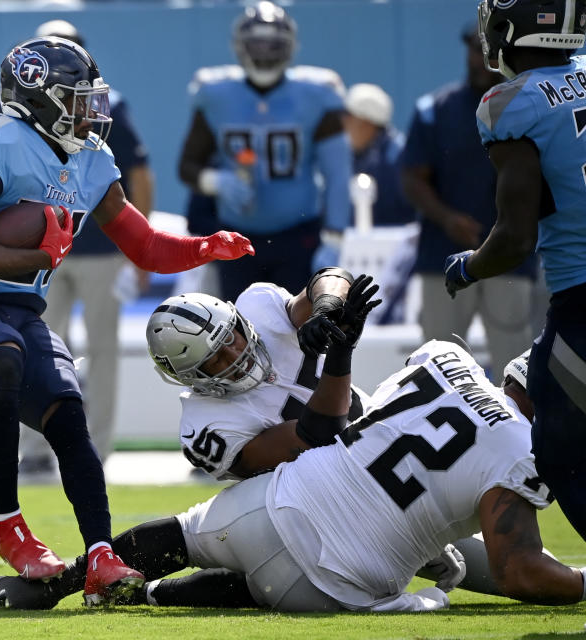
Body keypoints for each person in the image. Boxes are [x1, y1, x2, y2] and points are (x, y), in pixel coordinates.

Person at [0, 37, 253, 605]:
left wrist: (204, 248)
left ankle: (100, 555)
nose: (89, 111)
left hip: (20, 312)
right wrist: (38, 257)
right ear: (37, 96)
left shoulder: (91, 157)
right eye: (75, 98)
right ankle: (10, 528)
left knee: (68, 412)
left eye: (92, 98)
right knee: (3, 356)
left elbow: (143, 244)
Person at [0, 337, 586, 613]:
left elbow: (375, 422)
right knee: (417, 581)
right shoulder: (524, 447)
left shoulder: (446, 356)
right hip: (337, 581)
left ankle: (59, 584)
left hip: (272, 503)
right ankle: (152, 600)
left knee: (182, 534)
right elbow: (519, 567)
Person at [445, 0, 586, 631]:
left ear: (511, 28)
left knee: (560, 459)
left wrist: (468, 268)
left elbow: (513, 237)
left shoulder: (511, 104)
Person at [16, 20, 156, 475]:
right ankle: (36, 451)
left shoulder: (108, 106)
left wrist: (139, 242)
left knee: (102, 350)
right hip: (43, 249)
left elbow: (138, 175)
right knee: (36, 348)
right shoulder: (23, 109)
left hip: (99, 247)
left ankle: (96, 449)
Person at [177, 1, 352, 304]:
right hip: (236, 237)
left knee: (298, 330)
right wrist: (217, 182)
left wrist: (334, 238)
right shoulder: (215, 94)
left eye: (272, 45)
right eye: (256, 43)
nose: (264, 52)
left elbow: (337, 174)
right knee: (240, 330)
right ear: (240, 46)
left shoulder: (316, 94)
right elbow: (188, 166)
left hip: (299, 235)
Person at [401, 24, 535, 382]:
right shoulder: (434, 109)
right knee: (438, 363)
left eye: (488, 50)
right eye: (476, 50)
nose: (481, 60)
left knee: (516, 363)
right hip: (444, 254)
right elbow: (412, 177)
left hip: (511, 254)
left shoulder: (530, 106)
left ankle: (520, 438)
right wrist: (447, 219)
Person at [146, 268, 372, 481]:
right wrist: (340, 351)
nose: (235, 356)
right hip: (329, 491)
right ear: (192, 377)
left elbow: (333, 277)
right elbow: (318, 435)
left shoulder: (257, 305)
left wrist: (326, 305)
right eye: (215, 360)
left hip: (377, 425)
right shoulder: (206, 424)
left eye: (229, 338)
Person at [343, 83, 415, 227]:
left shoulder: (398, 156)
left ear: (366, 122)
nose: (344, 122)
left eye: (348, 116)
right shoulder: (356, 154)